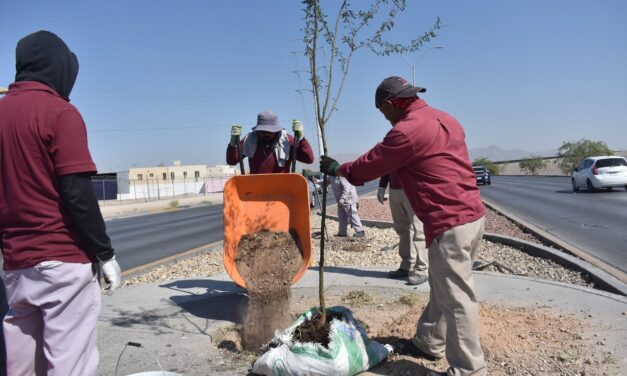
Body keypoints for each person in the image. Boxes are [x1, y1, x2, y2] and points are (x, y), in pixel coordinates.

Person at [320, 76, 486, 376]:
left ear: (387, 104)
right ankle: (429, 342)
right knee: (444, 286)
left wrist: (337, 169)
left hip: (449, 222)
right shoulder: (446, 118)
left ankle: (469, 369)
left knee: (458, 299)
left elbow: (369, 166)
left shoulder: (406, 132)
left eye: (382, 112)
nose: (384, 117)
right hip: (473, 216)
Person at [0, 30, 121, 376]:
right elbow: (78, 195)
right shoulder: (59, 113)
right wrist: (104, 254)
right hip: (62, 262)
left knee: (22, 365)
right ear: (59, 68)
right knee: (71, 365)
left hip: (16, 267)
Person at [378, 173, 428, 285]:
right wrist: (382, 186)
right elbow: (387, 165)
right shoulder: (389, 154)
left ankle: (422, 270)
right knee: (402, 230)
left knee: (419, 231)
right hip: (394, 190)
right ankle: (406, 266)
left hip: (413, 188)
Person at [226, 111, 315, 173]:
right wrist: (233, 142)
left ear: (276, 130)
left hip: (283, 190)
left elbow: (308, 159)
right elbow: (232, 161)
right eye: (262, 131)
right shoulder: (250, 139)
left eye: (270, 131)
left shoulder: (287, 140)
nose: (266, 134)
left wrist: (301, 138)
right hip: (256, 190)